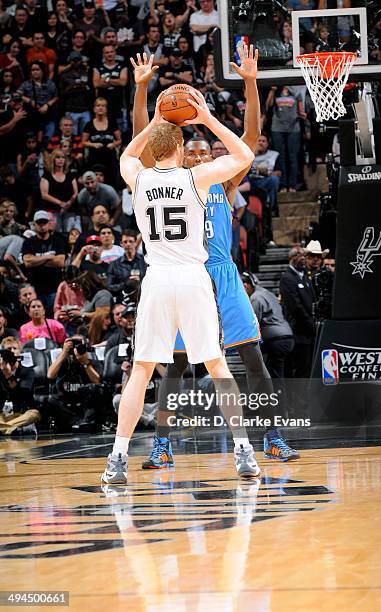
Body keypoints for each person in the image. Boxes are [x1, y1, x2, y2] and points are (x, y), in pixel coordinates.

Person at [132, 50, 299, 471]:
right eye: (196, 151)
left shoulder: (220, 184)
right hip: (187, 277)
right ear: (183, 154)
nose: (203, 156)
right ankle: (162, 444)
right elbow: (142, 139)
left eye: (209, 152)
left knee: (253, 357)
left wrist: (250, 82)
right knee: (175, 367)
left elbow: (251, 135)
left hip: (222, 277)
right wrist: (141, 92)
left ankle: (272, 436)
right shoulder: (173, 180)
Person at [101, 69, 261, 486]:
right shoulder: (196, 177)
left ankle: (117, 459)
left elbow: (126, 155)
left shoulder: (138, 177)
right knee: (217, 365)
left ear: (156, 145)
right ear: (181, 146)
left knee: (140, 370)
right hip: (192, 278)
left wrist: (157, 118)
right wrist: (206, 117)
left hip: (156, 279)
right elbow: (244, 154)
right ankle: (243, 451)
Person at [241, 272, 294, 379]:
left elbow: (253, 323)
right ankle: (284, 394)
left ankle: (277, 395)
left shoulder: (255, 298)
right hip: (288, 337)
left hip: (275, 340)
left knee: (273, 376)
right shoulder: (267, 293)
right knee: (282, 374)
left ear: (245, 286)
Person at [47, 334, 103, 432]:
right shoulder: (63, 362)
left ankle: (83, 421)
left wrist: (85, 363)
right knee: (52, 399)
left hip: (85, 404)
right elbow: (50, 375)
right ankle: (76, 422)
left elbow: (97, 381)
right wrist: (63, 353)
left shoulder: (91, 361)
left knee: (96, 390)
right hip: (67, 403)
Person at [279, 246, 316, 378]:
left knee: (307, 368)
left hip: (308, 332)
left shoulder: (305, 276)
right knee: (298, 370)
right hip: (297, 332)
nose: (304, 259)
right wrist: (310, 324)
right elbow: (295, 307)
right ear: (292, 258)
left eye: (305, 256)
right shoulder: (287, 278)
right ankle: (296, 398)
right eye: (300, 255)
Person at [0, 336, 39, 435]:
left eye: (14, 348)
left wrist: (9, 376)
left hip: (23, 413)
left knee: (34, 414)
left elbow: (22, 396)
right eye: (8, 349)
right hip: (4, 414)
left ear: (20, 352)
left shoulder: (27, 371)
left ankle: (4, 428)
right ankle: (11, 429)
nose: (12, 351)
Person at [40, 148, 80, 232]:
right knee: (56, 233)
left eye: (63, 157)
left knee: (70, 233)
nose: (60, 160)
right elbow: (44, 195)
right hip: (52, 210)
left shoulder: (70, 175)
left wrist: (67, 204)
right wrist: (60, 203)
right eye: (58, 157)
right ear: (53, 159)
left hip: (69, 209)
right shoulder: (47, 176)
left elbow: (75, 192)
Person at [107, 229, 146, 297]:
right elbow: (109, 286)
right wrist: (126, 284)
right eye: (125, 242)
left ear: (136, 243)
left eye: (131, 241)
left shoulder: (145, 261)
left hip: (144, 296)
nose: (128, 244)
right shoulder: (114, 264)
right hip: (123, 299)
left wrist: (139, 282)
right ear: (121, 244)